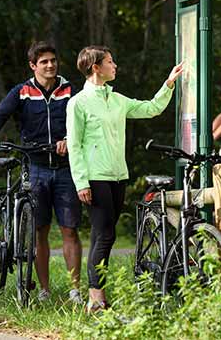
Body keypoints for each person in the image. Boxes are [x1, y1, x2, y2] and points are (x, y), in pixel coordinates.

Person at [66, 45, 183, 313]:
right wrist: (81, 182)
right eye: (109, 61)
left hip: (119, 177)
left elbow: (151, 108)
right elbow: (74, 145)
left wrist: (169, 83)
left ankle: (95, 295)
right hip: (94, 178)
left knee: (100, 235)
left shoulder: (117, 99)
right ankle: (96, 296)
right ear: (96, 67)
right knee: (105, 235)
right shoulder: (78, 103)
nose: (115, 65)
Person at [0, 41, 83, 303]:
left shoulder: (70, 90)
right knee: (40, 231)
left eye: (53, 60)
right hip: (35, 167)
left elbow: (85, 120)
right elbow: (1, 114)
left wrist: (70, 138)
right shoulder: (22, 92)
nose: (50, 65)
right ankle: (45, 291)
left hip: (65, 170)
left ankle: (75, 291)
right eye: (44, 62)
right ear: (33, 65)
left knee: (69, 230)